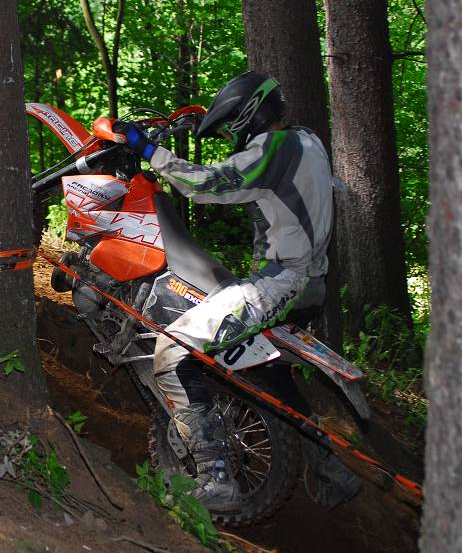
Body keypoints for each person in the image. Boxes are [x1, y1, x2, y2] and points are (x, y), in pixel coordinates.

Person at [113, 71, 357, 512]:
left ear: (250, 115)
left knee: (173, 349)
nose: (231, 137)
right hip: (309, 284)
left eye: (231, 127)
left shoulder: (276, 148)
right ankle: (330, 468)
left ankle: (216, 479)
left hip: (280, 283)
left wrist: (147, 148)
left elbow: (206, 185)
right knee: (269, 373)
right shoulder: (307, 141)